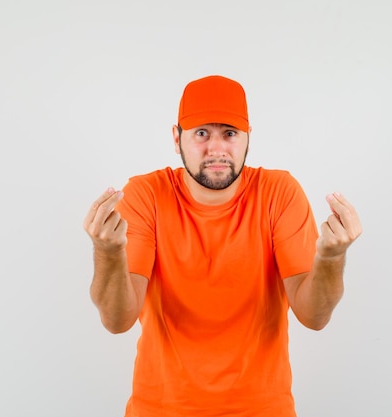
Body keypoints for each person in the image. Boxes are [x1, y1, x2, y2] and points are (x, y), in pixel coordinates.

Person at [83, 75, 362, 417]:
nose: (216, 149)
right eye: (202, 133)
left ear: (247, 139)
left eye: (229, 133)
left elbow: (314, 316)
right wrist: (108, 253)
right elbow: (117, 319)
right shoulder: (146, 195)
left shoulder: (279, 192)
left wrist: (331, 257)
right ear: (177, 138)